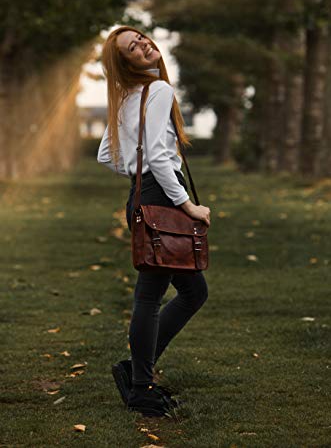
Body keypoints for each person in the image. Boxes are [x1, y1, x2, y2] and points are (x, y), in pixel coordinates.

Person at [97, 25, 211, 417]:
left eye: (142, 38)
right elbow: (161, 156)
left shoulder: (127, 98)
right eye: (133, 46)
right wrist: (188, 205)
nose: (144, 44)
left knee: (191, 291)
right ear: (125, 62)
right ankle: (141, 386)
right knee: (152, 294)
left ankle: (136, 370)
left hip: (140, 196)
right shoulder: (158, 90)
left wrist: (134, 169)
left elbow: (106, 155)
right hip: (162, 196)